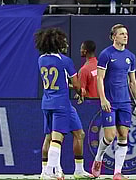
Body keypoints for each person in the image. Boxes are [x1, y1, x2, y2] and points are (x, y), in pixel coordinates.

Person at [35, 27, 89, 180]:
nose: (65, 44)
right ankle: (49, 172)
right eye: (63, 42)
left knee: (79, 133)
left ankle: (78, 170)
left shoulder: (41, 60)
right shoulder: (65, 61)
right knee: (56, 139)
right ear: (56, 43)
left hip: (48, 101)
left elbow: (59, 81)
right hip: (61, 104)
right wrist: (80, 93)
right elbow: (76, 84)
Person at [92, 24, 136, 180]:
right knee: (109, 136)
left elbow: (132, 81)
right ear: (114, 36)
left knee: (123, 135)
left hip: (125, 101)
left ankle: (117, 172)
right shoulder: (106, 54)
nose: (125, 36)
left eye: (126, 33)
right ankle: (98, 158)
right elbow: (100, 78)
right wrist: (103, 98)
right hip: (110, 101)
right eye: (121, 34)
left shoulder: (131, 56)